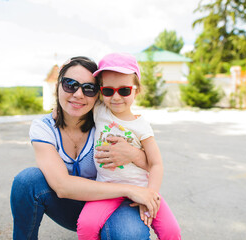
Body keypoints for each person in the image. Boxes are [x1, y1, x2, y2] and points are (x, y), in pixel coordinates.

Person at [10, 56, 161, 240]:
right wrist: (127, 189)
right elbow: (62, 186)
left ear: (98, 94)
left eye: (89, 89)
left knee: (129, 235)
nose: (79, 94)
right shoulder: (44, 127)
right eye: (70, 85)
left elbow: (154, 163)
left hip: (114, 205)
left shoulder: (106, 121)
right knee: (27, 181)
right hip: (70, 206)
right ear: (58, 85)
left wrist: (134, 154)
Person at [76, 53, 181, 240]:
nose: (116, 97)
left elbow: (156, 164)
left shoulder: (141, 126)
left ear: (136, 90)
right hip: (105, 189)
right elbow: (80, 97)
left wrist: (150, 194)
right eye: (108, 91)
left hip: (141, 188)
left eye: (124, 90)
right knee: (86, 225)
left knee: (171, 231)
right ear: (101, 91)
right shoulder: (100, 111)